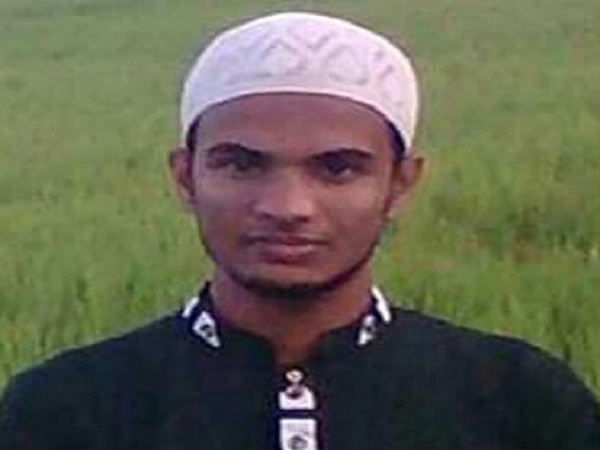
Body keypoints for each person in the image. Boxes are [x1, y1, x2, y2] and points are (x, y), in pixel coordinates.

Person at [0, 11, 598, 450]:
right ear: (185, 177)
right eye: (241, 165)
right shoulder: (63, 410)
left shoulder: (521, 403)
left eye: (337, 169)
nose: (287, 206)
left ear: (400, 184)